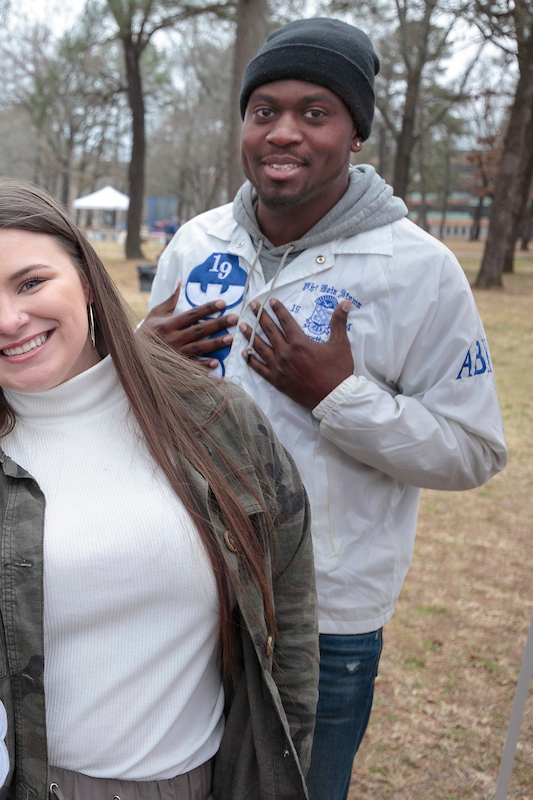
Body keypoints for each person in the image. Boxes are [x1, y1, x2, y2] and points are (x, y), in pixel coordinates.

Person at [0, 179, 319, 800]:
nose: (10, 320)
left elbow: (289, 629)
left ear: (88, 281)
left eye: (31, 282)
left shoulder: (216, 421)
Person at [143, 19, 508, 800]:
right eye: (263, 109)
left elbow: (474, 450)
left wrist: (337, 396)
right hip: (184, 599)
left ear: (355, 133)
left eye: (315, 112)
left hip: (325, 624)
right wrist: (141, 364)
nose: (283, 132)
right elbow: (142, 423)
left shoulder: (419, 270)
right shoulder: (196, 244)